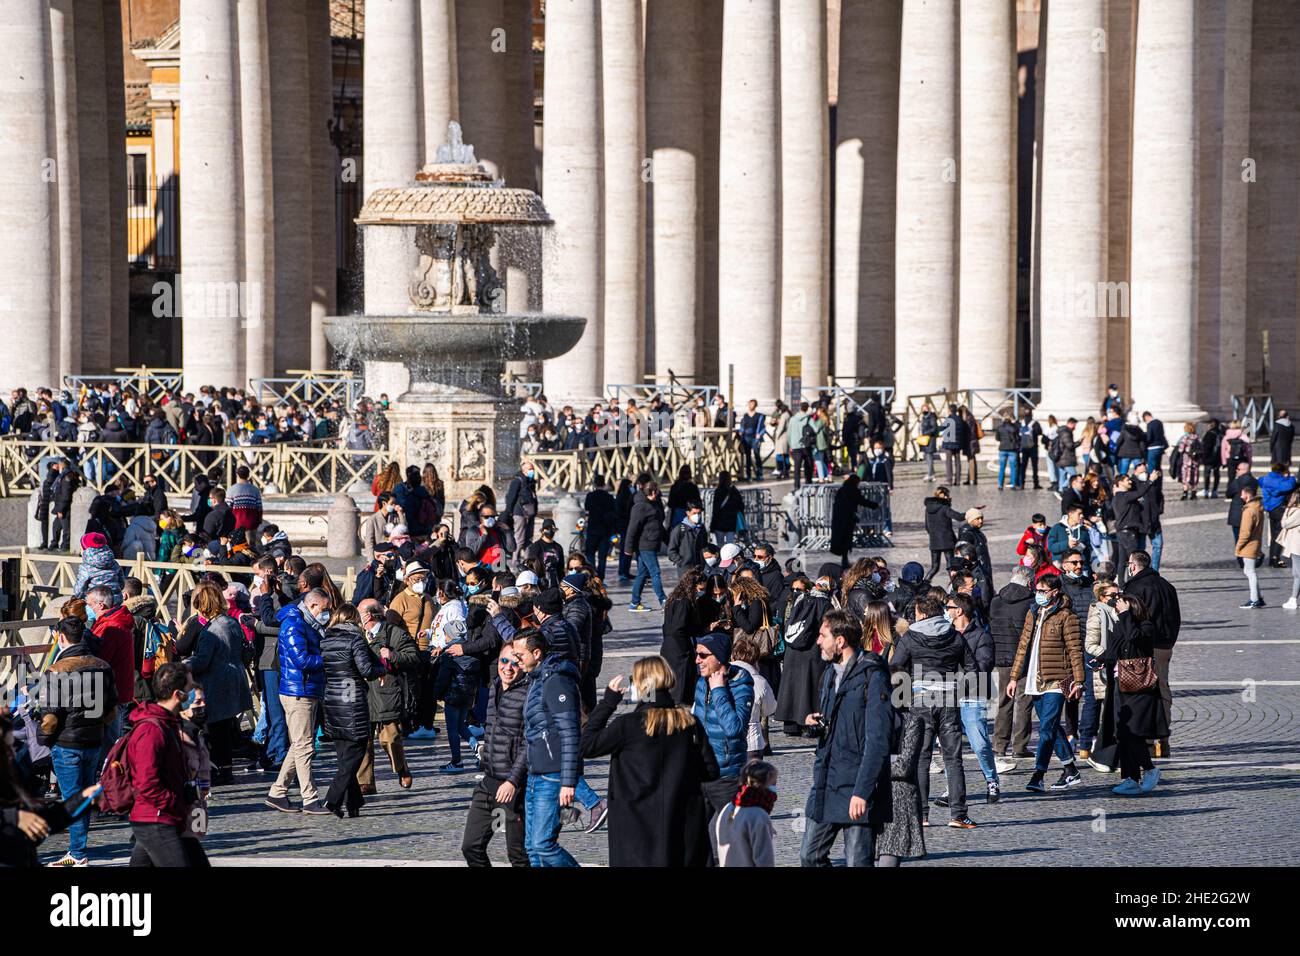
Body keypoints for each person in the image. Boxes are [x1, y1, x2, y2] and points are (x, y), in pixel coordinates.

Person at [581, 656, 718, 867]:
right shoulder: (689, 723)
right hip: (680, 823)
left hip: (635, 827)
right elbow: (711, 770)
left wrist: (608, 702)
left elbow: (586, 745)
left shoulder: (627, 725)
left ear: (642, 685)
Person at [800, 610, 895, 865]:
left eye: (823, 635)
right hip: (827, 782)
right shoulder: (830, 673)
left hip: (857, 787)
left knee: (857, 861)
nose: (818, 641)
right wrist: (817, 723)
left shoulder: (873, 676)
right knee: (810, 856)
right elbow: (836, 722)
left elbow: (878, 741)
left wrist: (862, 792)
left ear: (840, 641)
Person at [36, 617, 117, 866]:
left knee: (74, 798)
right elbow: (111, 708)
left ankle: (77, 853)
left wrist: (44, 740)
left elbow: (50, 716)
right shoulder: (102, 665)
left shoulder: (57, 670)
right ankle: (78, 849)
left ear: (61, 637)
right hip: (92, 740)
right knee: (84, 793)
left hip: (67, 742)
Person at [891, 596, 974, 828]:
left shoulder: (909, 638)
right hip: (948, 700)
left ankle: (921, 814)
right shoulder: (955, 636)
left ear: (922, 614)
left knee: (921, 759)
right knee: (953, 759)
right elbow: (972, 669)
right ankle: (958, 814)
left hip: (920, 700)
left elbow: (896, 669)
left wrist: (904, 700)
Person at [1007, 572, 1086, 793]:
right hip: (1034, 679)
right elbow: (1023, 646)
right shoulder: (1033, 612)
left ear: (1054, 592)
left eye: (1043, 591)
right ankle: (1070, 769)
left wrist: (1079, 681)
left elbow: (1075, 650)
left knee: (1046, 729)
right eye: (1037, 591)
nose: (1038, 595)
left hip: (1056, 680)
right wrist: (1014, 677)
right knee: (1050, 727)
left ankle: (1038, 774)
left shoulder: (1066, 616)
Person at [126, 663, 209, 867]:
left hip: (167, 817)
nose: (194, 693)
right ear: (177, 694)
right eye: (190, 690)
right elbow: (146, 784)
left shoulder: (170, 723)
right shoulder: (152, 731)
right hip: (156, 819)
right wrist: (175, 803)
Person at [511, 628, 582, 867]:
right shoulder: (536, 677)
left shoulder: (556, 681)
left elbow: (570, 731)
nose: (515, 660)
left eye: (520, 655)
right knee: (532, 847)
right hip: (536, 773)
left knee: (543, 844)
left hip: (552, 776)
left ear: (537, 653)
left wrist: (568, 781)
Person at [460, 644, 530, 867]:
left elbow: (530, 744)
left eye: (515, 663)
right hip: (488, 782)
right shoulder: (495, 686)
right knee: (471, 846)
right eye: (503, 661)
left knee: (518, 855)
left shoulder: (529, 694)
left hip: (514, 787)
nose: (508, 668)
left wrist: (512, 781)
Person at [264, 587, 332, 814]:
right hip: (298, 691)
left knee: (300, 745)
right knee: (304, 746)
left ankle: (277, 793)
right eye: (324, 609)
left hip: (306, 688)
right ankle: (310, 798)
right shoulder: (294, 624)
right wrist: (327, 658)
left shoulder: (308, 623)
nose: (327, 614)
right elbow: (301, 659)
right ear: (312, 606)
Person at [318, 604, 386, 817]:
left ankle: (354, 803)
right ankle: (332, 798)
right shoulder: (356, 639)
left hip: (332, 698)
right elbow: (366, 669)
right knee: (356, 751)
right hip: (352, 697)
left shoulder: (325, 641)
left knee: (344, 753)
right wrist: (382, 669)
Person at [183, 582, 252, 784]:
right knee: (225, 727)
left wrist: (182, 665)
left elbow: (202, 660)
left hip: (216, 682)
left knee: (215, 730)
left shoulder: (211, 630)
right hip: (234, 678)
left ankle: (218, 770)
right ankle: (226, 769)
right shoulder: (231, 622)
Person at [691, 631, 755, 834]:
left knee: (725, 838)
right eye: (697, 654)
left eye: (703, 655)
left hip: (726, 775)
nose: (697, 660)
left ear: (718, 657)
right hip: (701, 771)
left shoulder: (741, 686)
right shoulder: (702, 682)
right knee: (695, 837)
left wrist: (719, 690)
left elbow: (734, 729)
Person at [1104, 594, 1167, 796]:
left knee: (1133, 733)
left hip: (1140, 688)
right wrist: (1098, 659)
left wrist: (1125, 615)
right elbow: (1113, 651)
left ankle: (1149, 769)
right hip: (1120, 685)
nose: (1119, 609)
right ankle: (1130, 778)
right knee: (1122, 733)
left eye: (1124, 607)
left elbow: (1134, 638)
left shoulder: (1146, 627)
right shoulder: (1121, 625)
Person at [1119, 550, 1181, 758]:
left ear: (1133, 566)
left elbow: (1131, 621)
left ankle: (1146, 740)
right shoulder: (1167, 586)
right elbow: (1176, 617)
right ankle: (1164, 741)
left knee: (1143, 692)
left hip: (1144, 646)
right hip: (1165, 645)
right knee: (1163, 689)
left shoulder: (1135, 587)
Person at [356, 600, 417, 792]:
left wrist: (393, 655)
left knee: (390, 739)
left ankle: (401, 767)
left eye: (359, 612)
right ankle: (365, 781)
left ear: (368, 616)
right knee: (362, 741)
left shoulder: (394, 633)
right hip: (363, 693)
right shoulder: (358, 634)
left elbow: (414, 657)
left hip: (387, 692)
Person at [948, 592, 1001, 804]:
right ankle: (951, 787)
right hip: (949, 698)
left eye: (949, 607)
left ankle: (991, 779)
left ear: (959, 611)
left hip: (972, 696)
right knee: (950, 747)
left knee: (979, 743)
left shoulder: (981, 636)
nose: (946, 611)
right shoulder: (945, 634)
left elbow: (983, 667)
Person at [773, 575, 831, 736]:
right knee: (809, 688)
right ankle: (808, 725)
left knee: (791, 687)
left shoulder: (801, 600)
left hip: (793, 651)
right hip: (812, 651)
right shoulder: (825, 604)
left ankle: (790, 725)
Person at [710, 760, 777, 867]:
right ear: (762, 785)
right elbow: (764, 859)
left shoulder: (727, 808)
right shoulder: (758, 816)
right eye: (773, 783)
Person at [729, 633, 776, 762]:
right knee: (753, 780)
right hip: (752, 741)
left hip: (726, 739)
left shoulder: (722, 676)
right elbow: (769, 709)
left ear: (733, 656)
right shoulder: (760, 682)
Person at [625, 480, 667, 611]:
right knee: (655, 572)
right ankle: (663, 600)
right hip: (645, 545)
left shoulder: (653, 504)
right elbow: (632, 528)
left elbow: (658, 526)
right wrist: (628, 548)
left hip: (651, 543)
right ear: (654, 492)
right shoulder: (640, 507)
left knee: (642, 574)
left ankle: (634, 602)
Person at [829, 472, 881, 568]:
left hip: (839, 518)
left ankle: (844, 559)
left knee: (843, 539)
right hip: (848, 519)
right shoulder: (853, 490)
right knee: (846, 539)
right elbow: (862, 501)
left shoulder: (842, 490)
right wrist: (875, 505)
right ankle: (844, 560)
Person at [923, 485, 965, 581]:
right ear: (945, 496)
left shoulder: (928, 508)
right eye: (948, 496)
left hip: (934, 542)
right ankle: (955, 587)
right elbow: (959, 517)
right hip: (947, 542)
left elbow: (927, 526)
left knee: (934, 567)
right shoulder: (945, 508)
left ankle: (923, 585)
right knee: (951, 567)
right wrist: (971, 512)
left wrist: (934, 535)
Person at [1235, 480, 1266, 609]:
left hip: (1249, 546)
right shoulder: (1257, 508)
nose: (1241, 496)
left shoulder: (1248, 511)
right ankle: (1258, 597)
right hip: (1255, 543)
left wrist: (1238, 546)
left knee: (1250, 572)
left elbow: (1245, 532)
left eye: (1242, 494)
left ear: (1247, 494)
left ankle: (1254, 599)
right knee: (1250, 571)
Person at [1259, 463, 1297, 566]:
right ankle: (1275, 558)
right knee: (1279, 535)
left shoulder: (1265, 479)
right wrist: (1291, 478)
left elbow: (1261, 481)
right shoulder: (1280, 481)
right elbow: (1289, 485)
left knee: (1274, 535)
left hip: (1271, 510)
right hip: (1278, 509)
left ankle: (1272, 558)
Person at [582, 474, 618, 580]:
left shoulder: (590, 496)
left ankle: (592, 575)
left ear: (594, 484)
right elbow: (614, 512)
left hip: (593, 528)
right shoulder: (609, 497)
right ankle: (600, 578)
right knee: (602, 557)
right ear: (604, 483)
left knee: (590, 554)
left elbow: (587, 508)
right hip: (605, 530)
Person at [504, 459, 539, 567]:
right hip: (519, 513)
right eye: (529, 469)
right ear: (523, 470)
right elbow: (511, 497)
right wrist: (508, 512)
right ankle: (515, 561)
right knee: (520, 539)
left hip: (530, 513)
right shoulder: (517, 481)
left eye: (532, 469)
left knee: (529, 539)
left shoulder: (530, 481)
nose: (531, 471)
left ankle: (528, 562)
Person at [1277, 490, 1300, 610]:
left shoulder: (1298, 512)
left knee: (1297, 574)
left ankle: (1293, 599)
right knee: (1296, 573)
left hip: (1298, 546)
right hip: (1296, 546)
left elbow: (1285, 524)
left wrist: (1287, 510)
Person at [668, 502, 707, 571]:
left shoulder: (702, 528)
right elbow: (671, 551)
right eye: (694, 513)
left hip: (699, 567)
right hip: (685, 569)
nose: (697, 516)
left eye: (699, 513)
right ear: (688, 513)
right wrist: (681, 562)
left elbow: (705, 545)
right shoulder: (679, 529)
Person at [738, 399, 767, 481]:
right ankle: (748, 475)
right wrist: (741, 432)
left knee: (757, 455)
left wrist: (759, 434)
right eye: (750, 404)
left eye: (753, 404)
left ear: (755, 405)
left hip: (755, 438)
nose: (751, 406)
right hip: (746, 437)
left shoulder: (759, 416)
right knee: (748, 457)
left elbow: (763, 427)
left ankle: (759, 474)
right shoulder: (745, 416)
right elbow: (742, 426)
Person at [1016, 409, 1043, 489]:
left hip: (1024, 448)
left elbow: (1017, 434)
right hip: (1033, 447)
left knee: (1023, 466)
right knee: (1034, 466)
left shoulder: (1021, 423)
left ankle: (1022, 483)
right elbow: (1040, 432)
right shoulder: (1035, 423)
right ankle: (1035, 483)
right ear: (1032, 414)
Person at [994, 415, 1020, 489]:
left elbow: (997, 438)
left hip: (1002, 449)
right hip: (1012, 449)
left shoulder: (999, 428)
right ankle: (1013, 484)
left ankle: (1000, 485)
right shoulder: (1014, 428)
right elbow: (1017, 438)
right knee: (1013, 468)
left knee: (1002, 467)